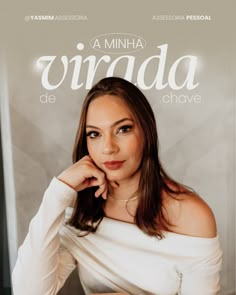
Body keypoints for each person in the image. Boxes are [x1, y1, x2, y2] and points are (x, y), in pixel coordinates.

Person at [12, 77, 222, 295]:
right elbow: (28, 292)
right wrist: (58, 192)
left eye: (123, 129)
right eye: (95, 134)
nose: (108, 148)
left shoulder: (192, 216)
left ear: (146, 132)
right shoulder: (78, 206)